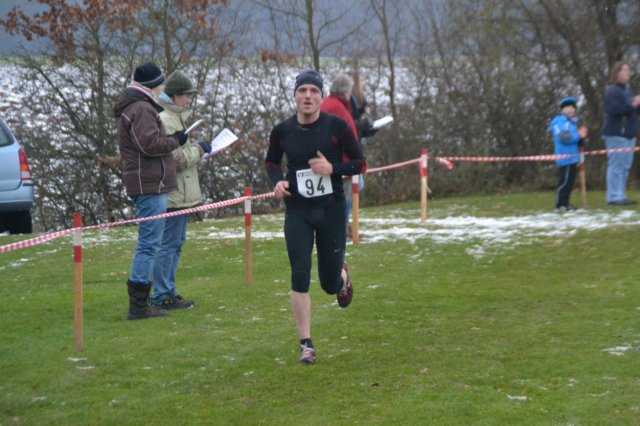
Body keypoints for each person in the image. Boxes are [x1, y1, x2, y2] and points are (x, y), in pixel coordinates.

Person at [265, 69, 366, 364]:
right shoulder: (282, 131)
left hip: (331, 211)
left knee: (328, 284)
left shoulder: (337, 127)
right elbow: (271, 163)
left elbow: (360, 163)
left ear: (321, 96)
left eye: (313, 91)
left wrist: (332, 169)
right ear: (295, 96)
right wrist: (278, 182)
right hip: (298, 212)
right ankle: (306, 344)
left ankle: (342, 276)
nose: (307, 96)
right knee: (299, 275)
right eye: (302, 91)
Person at [114, 62, 188, 320]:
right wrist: (176, 140)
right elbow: (149, 145)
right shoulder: (142, 108)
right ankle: (139, 305)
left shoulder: (137, 106)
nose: (162, 89)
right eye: (160, 84)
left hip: (149, 182)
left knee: (151, 243)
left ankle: (143, 302)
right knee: (149, 244)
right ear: (153, 85)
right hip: (149, 184)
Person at [150, 70, 211, 310]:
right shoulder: (166, 120)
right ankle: (161, 294)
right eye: (186, 95)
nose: (189, 100)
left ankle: (169, 290)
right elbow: (175, 159)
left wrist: (197, 151)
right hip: (173, 194)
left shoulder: (176, 118)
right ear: (175, 96)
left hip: (181, 194)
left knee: (176, 243)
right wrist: (200, 150)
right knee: (168, 245)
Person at [602, 61, 640, 206]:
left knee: (625, 166)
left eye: (628, 70)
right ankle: (614, 197)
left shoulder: (628, 91)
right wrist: (632, 104)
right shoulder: (611, 91)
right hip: (616, 134)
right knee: (616, 166)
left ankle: (620, 194)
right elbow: (613, 110)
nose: (628, 73)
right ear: (617, 72)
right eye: (625, 70)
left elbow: (632, 112)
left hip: (629, 135)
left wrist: (637, 105)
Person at [549, 97, 588, 211]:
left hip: (573, 157)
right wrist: (578, 136)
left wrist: (582, 139)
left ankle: (566, 203)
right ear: (562, 109)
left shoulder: (573, 123)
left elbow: (577, 139)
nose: (570, 110)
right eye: (567, 107)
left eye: (572, 107)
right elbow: (564, 137)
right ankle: (560, 204)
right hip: (564, 157)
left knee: (570, 183)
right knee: (564, 182)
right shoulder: (559, 121)